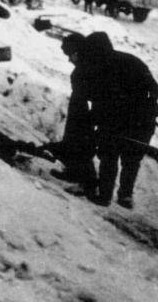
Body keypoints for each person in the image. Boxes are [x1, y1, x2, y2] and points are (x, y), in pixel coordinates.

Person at [83, 31, 157, 209]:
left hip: (127, 120)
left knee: (110, 156)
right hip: (139, 120)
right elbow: (154, 89)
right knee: (130, 159)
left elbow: (99, 99)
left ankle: (105, 195)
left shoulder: (102, 68)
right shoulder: (132, 61)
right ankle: (124, 197)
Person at [47, 34, 97, 196]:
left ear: (77, 52)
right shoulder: (84, 66)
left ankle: (88, 184)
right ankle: (73, 172)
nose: (69, 59)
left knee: (82, 145)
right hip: (79, 111)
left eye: (70, 55)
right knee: (73, 142)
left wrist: (90, 116)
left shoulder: (90, 67)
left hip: (87, 114)